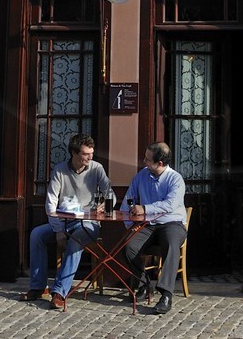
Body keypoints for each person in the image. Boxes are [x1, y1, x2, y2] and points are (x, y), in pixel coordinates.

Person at [23, 133, 113, 311]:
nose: (90, 157)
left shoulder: (97, 169)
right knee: (36, 235)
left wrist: (105, 204)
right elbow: (51, 203)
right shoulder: (60, 170)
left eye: (91, 153)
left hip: (88, 223)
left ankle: (60, 292)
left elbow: (110, 193)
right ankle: (38, 286)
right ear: (74, 153)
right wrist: (57, 230)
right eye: (86, 154)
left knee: (77, 239)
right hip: (64, 221)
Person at [121, 141, 186, 316]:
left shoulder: (175, 179)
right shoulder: (141, 175)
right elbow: (128, 200)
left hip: (171, 223)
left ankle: (166, 294)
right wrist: (129, 225)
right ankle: (144, 284)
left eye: (147, 159)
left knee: (171, 246)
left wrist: (146, 208)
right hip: (146, 225)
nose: (143, 161)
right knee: (127, 246)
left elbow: (170, 204)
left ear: (160, 163)